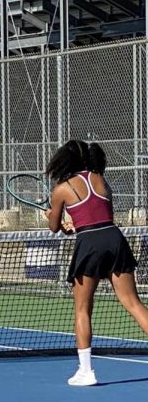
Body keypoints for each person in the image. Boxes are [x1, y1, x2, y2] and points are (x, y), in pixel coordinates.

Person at [45, 139, 148, 386]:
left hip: (90, 245)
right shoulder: (102, 181)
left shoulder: (61, 189)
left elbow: (53, 228)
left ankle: (86, 371)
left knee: (82, 310)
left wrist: (53, 217)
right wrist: (74, 225)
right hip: (114, 238)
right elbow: (100, 216)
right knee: (133, 303)